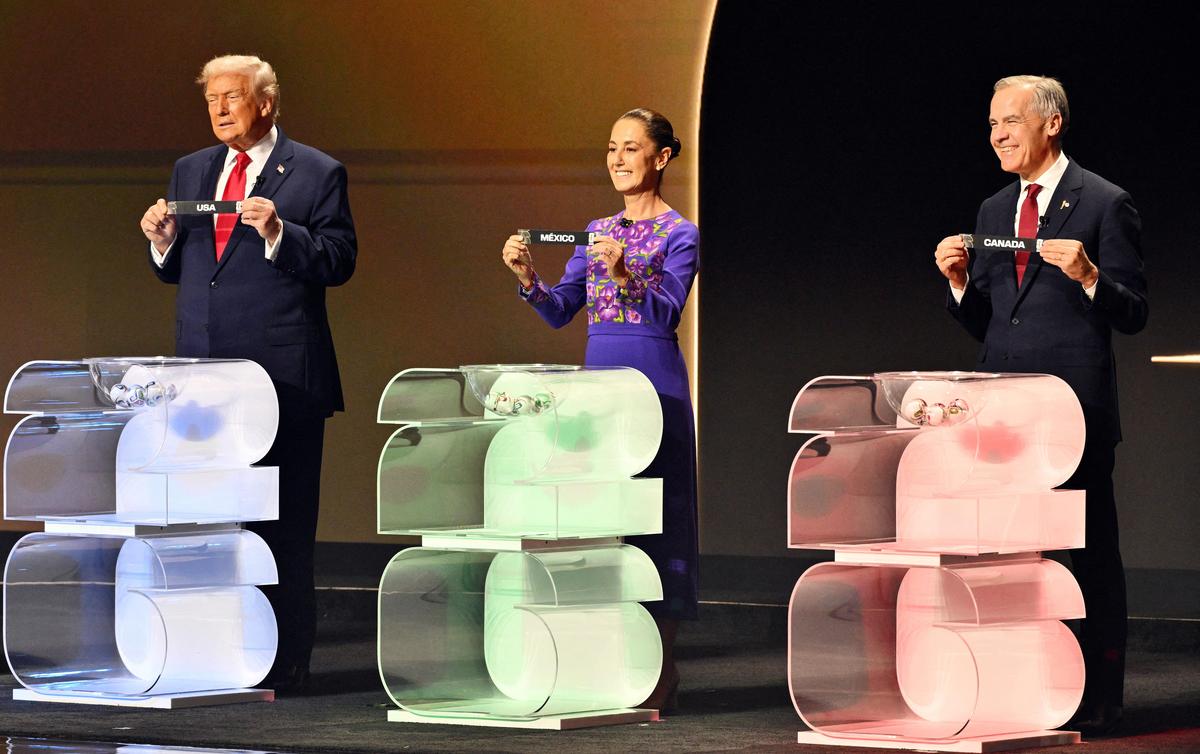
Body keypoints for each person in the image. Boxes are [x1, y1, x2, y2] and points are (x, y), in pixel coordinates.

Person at [934, 75, 1147, 735]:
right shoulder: (995, 209)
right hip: (1003, 418)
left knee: (1085, 555)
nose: (997, 134)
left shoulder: (1106, 203)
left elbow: (1134, 311)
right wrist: (961, 285)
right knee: (1014, 557)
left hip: (1074, 416)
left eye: (1009, 121)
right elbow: (997, 325)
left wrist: (1089, 277)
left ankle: (1098, 694)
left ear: (1050, 124)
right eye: (992, 124)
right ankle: (1026, 687)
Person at [139, 54, 356, 694]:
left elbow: (340, 260)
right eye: (212, 100)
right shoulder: (192, 170)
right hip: (204, 382)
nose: (220, 109)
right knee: (210, 523)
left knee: (282, 526)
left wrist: (281, 233)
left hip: (283, 378)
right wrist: (160, 241)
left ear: (265, 102)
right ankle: (216, 652)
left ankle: (286, 663)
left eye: (231, 97)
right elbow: (187, 270)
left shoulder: (316, 172)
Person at [500, 108, 699, 712]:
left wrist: (624, 273)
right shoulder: (596, 228)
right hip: (599, 385)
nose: (617, 159)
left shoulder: (679, 234)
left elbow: (665, 313)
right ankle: (608, 659)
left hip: (653, 381)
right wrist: (528, 278)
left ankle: (661, 666)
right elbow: (563, 309)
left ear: (661, 158)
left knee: (655, 521)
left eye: (631, 148)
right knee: (605, 520)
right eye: (611, 147)